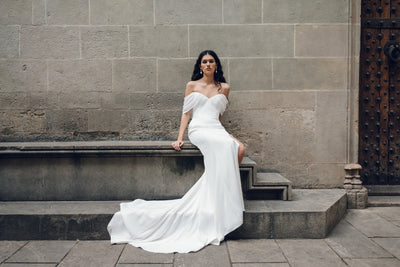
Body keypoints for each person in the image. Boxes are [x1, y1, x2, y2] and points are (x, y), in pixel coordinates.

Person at [107, 50, 245, 253]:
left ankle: (222, 193)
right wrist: (180, 138)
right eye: (204, 61)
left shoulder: (224, 88)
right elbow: (186, 114)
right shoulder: (192, 85)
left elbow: (218, 117)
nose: (208, 64)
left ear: (216, 65)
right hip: (198, 129)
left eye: (211, 61)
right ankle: (222, 196)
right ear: (200, 65)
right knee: (227, 147)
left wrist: (223, 133)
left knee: (239, 147)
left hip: (215, 128)